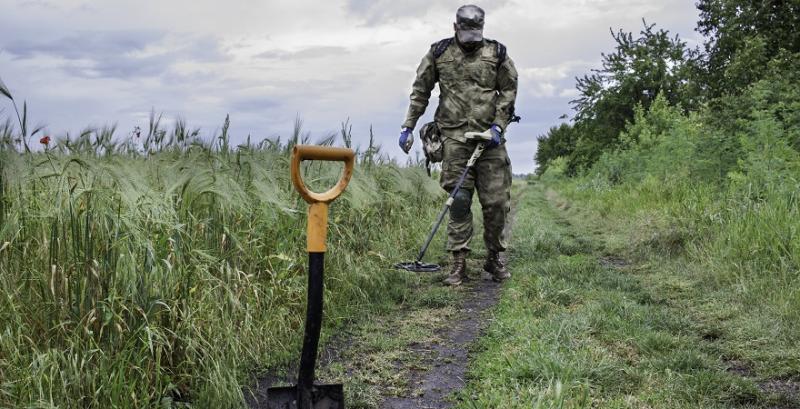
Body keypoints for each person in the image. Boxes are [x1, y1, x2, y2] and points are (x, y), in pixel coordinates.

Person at [399, 4, 518, 286]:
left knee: (496, 203)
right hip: (454, 138)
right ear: (455, 27)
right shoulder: (439, 52)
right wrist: (408, 126)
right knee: (459, 201)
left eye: (475, 34)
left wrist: (499, 125)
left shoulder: (497, 53)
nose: (471, 40)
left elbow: (509, 90)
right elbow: (420, 91)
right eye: (466, 34)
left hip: (490, 142)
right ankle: (458, 262)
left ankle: (494, 257)